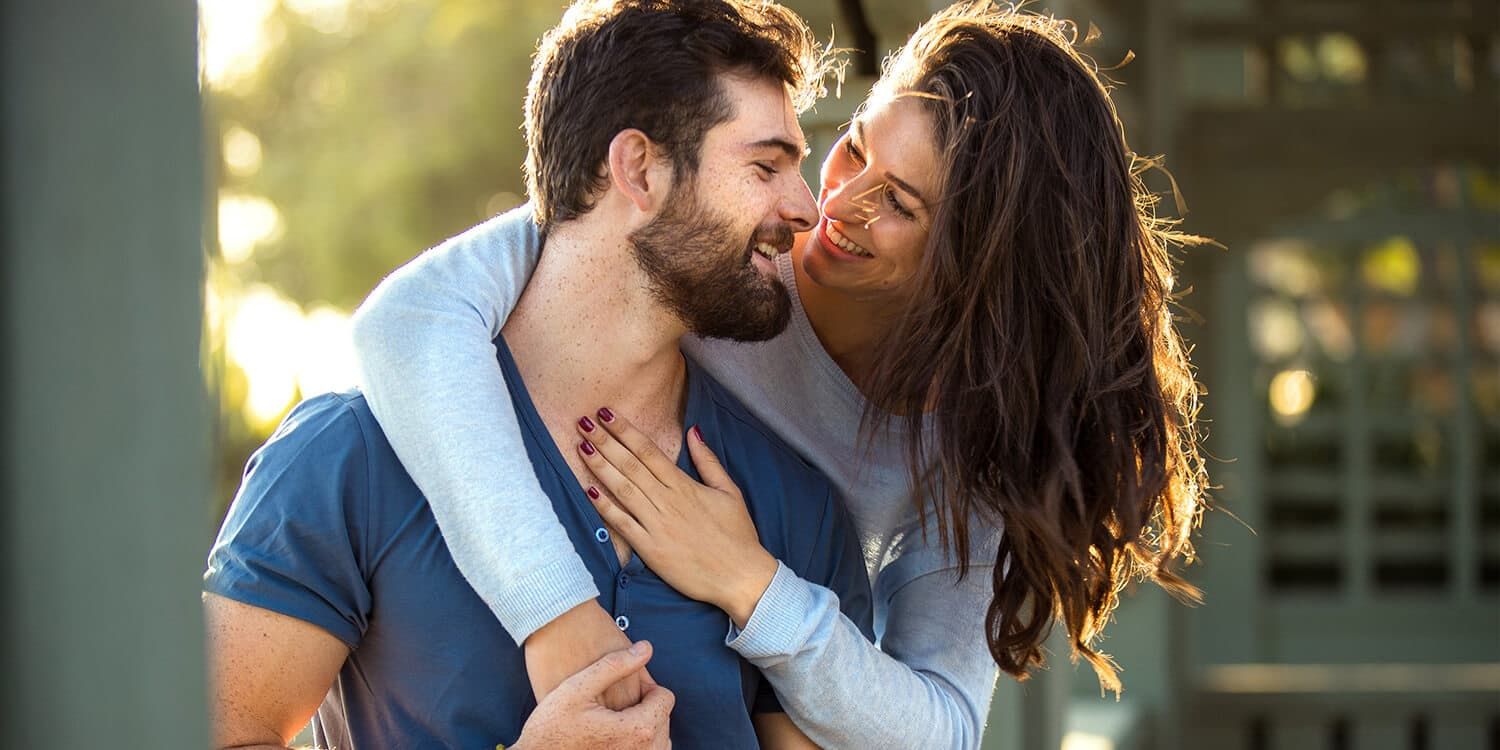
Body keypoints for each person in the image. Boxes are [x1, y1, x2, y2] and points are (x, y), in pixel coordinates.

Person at [352, 1, 1211, 747]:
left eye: (901, 204)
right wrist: (556, 615)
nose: (832, 205)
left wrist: (748, 582)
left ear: (979, 265)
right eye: (854, 150)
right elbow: (409, 320)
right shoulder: (717, 239)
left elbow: (943, 727)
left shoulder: (960, 444)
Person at [203, 1, 872, 748]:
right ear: (638, 168)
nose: (806, 207)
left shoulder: (794, 504)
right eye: (765, 165)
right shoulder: (349, 458)